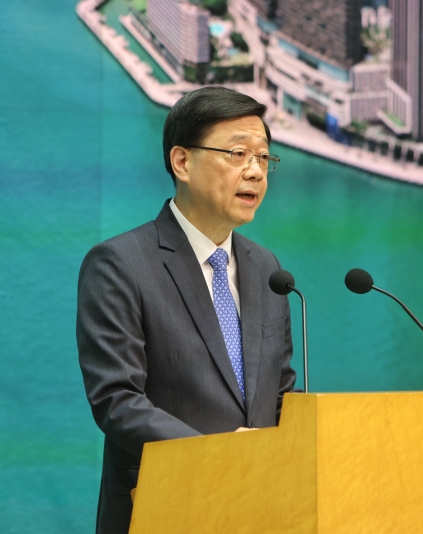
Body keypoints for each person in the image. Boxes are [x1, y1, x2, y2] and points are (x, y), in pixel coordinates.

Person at [76, 87, 297, 533]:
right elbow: (117, 401)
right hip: (164, 506)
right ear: (182, 162)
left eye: (263, 157)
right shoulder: (120, 264)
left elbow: (281, 394)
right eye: (237, 154)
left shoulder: (266, 268)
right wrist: (218, 455)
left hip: (259, 510)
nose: (255, 171)